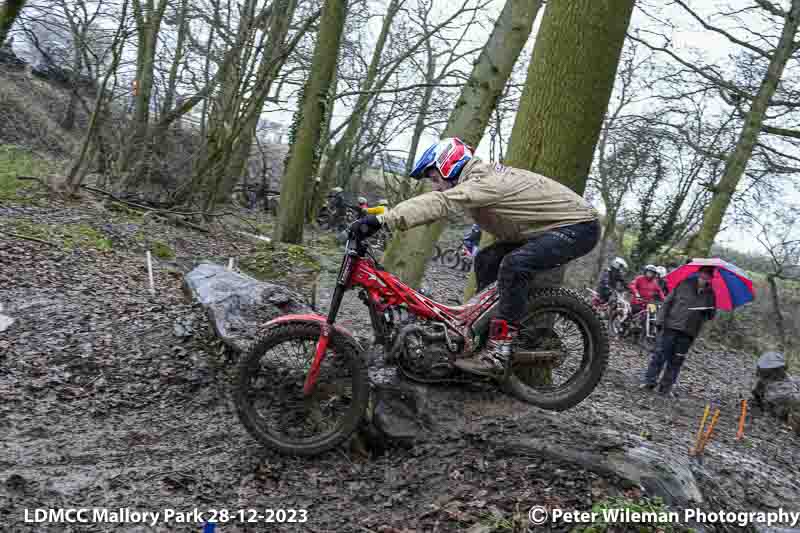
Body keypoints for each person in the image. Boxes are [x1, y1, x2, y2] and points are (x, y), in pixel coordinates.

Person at [349, 137, 601, 376]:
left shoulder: (483, 182)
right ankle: (481, 332)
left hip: (578, 227)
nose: (435, 186)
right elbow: (438, 200)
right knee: (486, 259)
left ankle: (498, 351)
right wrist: (381, 213)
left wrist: (385, 220)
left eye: (435, 178)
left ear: (449, 166)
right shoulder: (480, 177)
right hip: (547, 228)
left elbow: (440, 203)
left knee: (514, 265)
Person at [640, 266, 716, 397]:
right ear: (699, 274)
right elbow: (668, 302)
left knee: (676, 361)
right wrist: (659, 321)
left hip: (689, 332)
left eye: (708, 276)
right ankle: (649, 382)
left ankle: (665, 388)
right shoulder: (684, 284)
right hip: (671, 326)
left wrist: (709, 310)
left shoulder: (711, 295)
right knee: (660, 355)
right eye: (703, 274)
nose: (704, 278)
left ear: (710, 278)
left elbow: (711, 316)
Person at [622, 264, 665, 332]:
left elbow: (659, 291)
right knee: (631, 314)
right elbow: (632, 285)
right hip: (637, 301)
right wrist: (636, 293)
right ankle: (624, 323)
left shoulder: (654, 282)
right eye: (649, 272)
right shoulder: (639, 278)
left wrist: (664, 300)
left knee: (653, 313)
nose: (650, 274)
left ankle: (650, 330)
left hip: (648, 303)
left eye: (652, 273)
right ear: (645, 272)